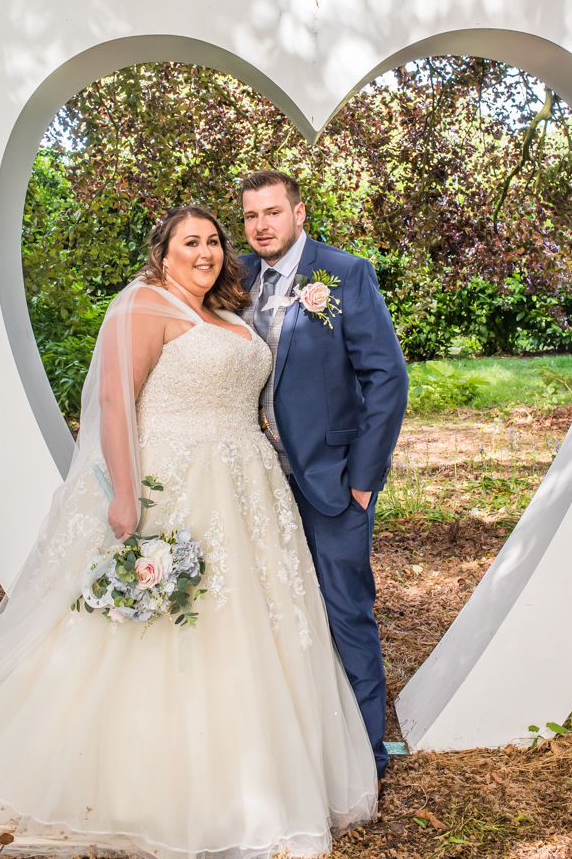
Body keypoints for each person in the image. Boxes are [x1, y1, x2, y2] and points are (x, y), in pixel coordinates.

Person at [0, 205, 378, 859]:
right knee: (162, 631)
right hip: (178, 486)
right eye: (191, 242)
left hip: (249, 490)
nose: (206, 252)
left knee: (254, 627)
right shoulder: (145, 307)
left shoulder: (229, 315)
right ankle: (145, 788)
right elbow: (112, 402)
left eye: (213, 241)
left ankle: (265, 775)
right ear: (163, 249)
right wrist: (124, 495)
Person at [238, 170, 408, 780]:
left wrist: (364, 477)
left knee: (345, 609)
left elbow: (387, 378)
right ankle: (290, 749)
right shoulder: (233, 278)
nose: (262, 225)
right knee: (271, 610)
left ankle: (366, 754)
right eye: (252, 215)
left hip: (333, 478)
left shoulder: (344, 273)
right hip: (252, 479)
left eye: (273, 212)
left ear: (299, 213)